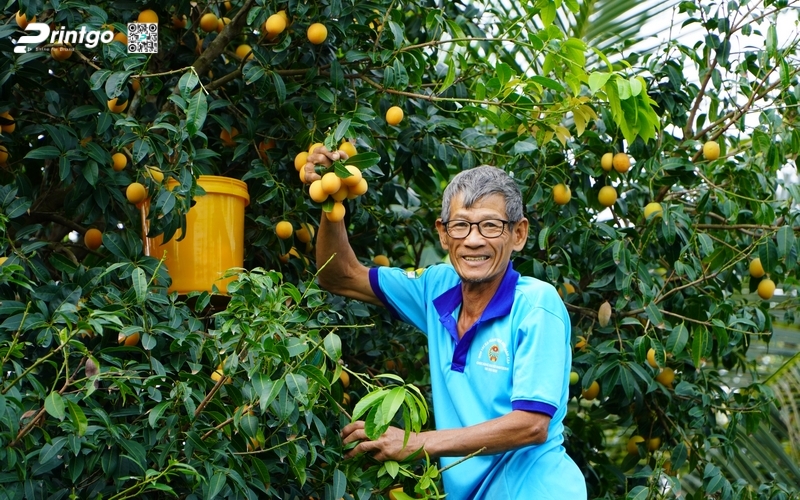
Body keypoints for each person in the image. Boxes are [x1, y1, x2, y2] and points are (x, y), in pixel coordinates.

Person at [304, 149, 587, 499]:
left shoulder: (535, 304)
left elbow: (531, 425)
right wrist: (332, 197)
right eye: (461, 225)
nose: (473, 240)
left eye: (491, 225)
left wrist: (416, 443)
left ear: (518, 234)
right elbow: (338, 275)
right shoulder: (436, 287)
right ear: (443, 233)